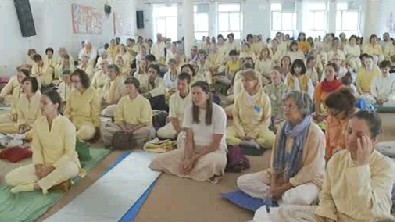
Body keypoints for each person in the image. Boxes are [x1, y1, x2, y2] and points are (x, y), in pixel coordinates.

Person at [255, 111, 395, 222]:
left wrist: (362, 166)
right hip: (335, 217)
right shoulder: (338, 158)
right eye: (349, 131)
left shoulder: (385, 166)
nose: (351, 139)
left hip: (367, 219)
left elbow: (365, 210)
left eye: (360, 135)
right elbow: (326, 194)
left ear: (374, 139)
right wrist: (329, 216)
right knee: (270, 214)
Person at [237, 91, 325, 205]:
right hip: (283, 174)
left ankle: (282, 197)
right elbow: (275, 159)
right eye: (285, 105)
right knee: (243, 181)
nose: (286, 109)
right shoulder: (283, 127)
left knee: (296, 198)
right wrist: (274, 185)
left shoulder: (315, 133)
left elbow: (310, 170)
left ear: (302, 109)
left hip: (308, 180)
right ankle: (279, 198)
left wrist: (284, 187)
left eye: (291, 106)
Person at [149, 81, 227, 182]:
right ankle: (195, 171)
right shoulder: (189, 110)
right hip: (193, 148)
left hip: (212, 151)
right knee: (157, 161)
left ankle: (192, 168)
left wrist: (194, 159)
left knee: (213, 163)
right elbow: (189, 140)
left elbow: (215, 144)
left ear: (207, 95)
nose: (195, 97)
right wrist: (187, 158)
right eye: (193, 94)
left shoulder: (219, 112)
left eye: (198, 93)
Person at [5, 90, 80, 194]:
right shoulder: (38, 123)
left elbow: (69, 153)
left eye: (45, 103)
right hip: (44, 164)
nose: (41, 106)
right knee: (10, 178)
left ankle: (35, 186)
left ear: (55, 105)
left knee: (70, 169)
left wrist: (51, 168)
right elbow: (36, 148)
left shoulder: (67, 125)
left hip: (63, 164)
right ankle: (56, 183)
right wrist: (38, 166)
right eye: (40, 102)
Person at [226, 69, 275, 149]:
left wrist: (254, 134)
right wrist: (240, 132)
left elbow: (266, 120)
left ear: (256, 81)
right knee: (224, 136)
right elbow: (235, 116)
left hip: (258, 129)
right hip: (241, 128)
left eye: (247, 80)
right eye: (243, 80)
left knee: (273, 140)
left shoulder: (264, 98)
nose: (244, 83)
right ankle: (242, 143)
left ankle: (256, 142)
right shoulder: (239, 97)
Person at [101, 77, 153, 148]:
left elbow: (145, 122)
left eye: (130, 87)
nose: (128, 90)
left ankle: (121, 140)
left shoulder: (144, 101)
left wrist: (132, 129)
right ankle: (126, 140)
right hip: (123, 128)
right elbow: (118, 117)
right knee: (105, 128)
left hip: (137, 129)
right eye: (126, 87)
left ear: (136, 88)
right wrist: (123, 128)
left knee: (147, 131)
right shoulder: (123, 100)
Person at [64, 69, 100, 142]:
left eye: (76, 82)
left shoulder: (92, 93)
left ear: (83, 81)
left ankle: (70, 139)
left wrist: (97, 127)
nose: (74, 84)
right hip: (73, 122)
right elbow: (67, 111)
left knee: (86, 132)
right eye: (72, 81)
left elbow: (95, 112)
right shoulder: (72, 93)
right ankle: (70, 139)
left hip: (87, 124)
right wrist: (65, 122)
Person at [324, 88, 358, 161]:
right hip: (333, 159)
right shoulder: (331, 118)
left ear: (345, 110)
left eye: (334, 114)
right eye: (329, 114)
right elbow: (328, 141)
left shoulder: (359, 120)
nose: (331, 117)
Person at [157, 73, 192, 139]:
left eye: (183, 84)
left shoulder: (194, 97)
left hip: (190, 125)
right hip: (176, 125)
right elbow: (173, 117)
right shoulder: (173, 97)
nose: (180, 87)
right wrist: (179, 132)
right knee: (160, 132)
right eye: (178, 84)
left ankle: (181, 137)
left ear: (189, 84)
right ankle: (179, 137)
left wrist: (185, 129)